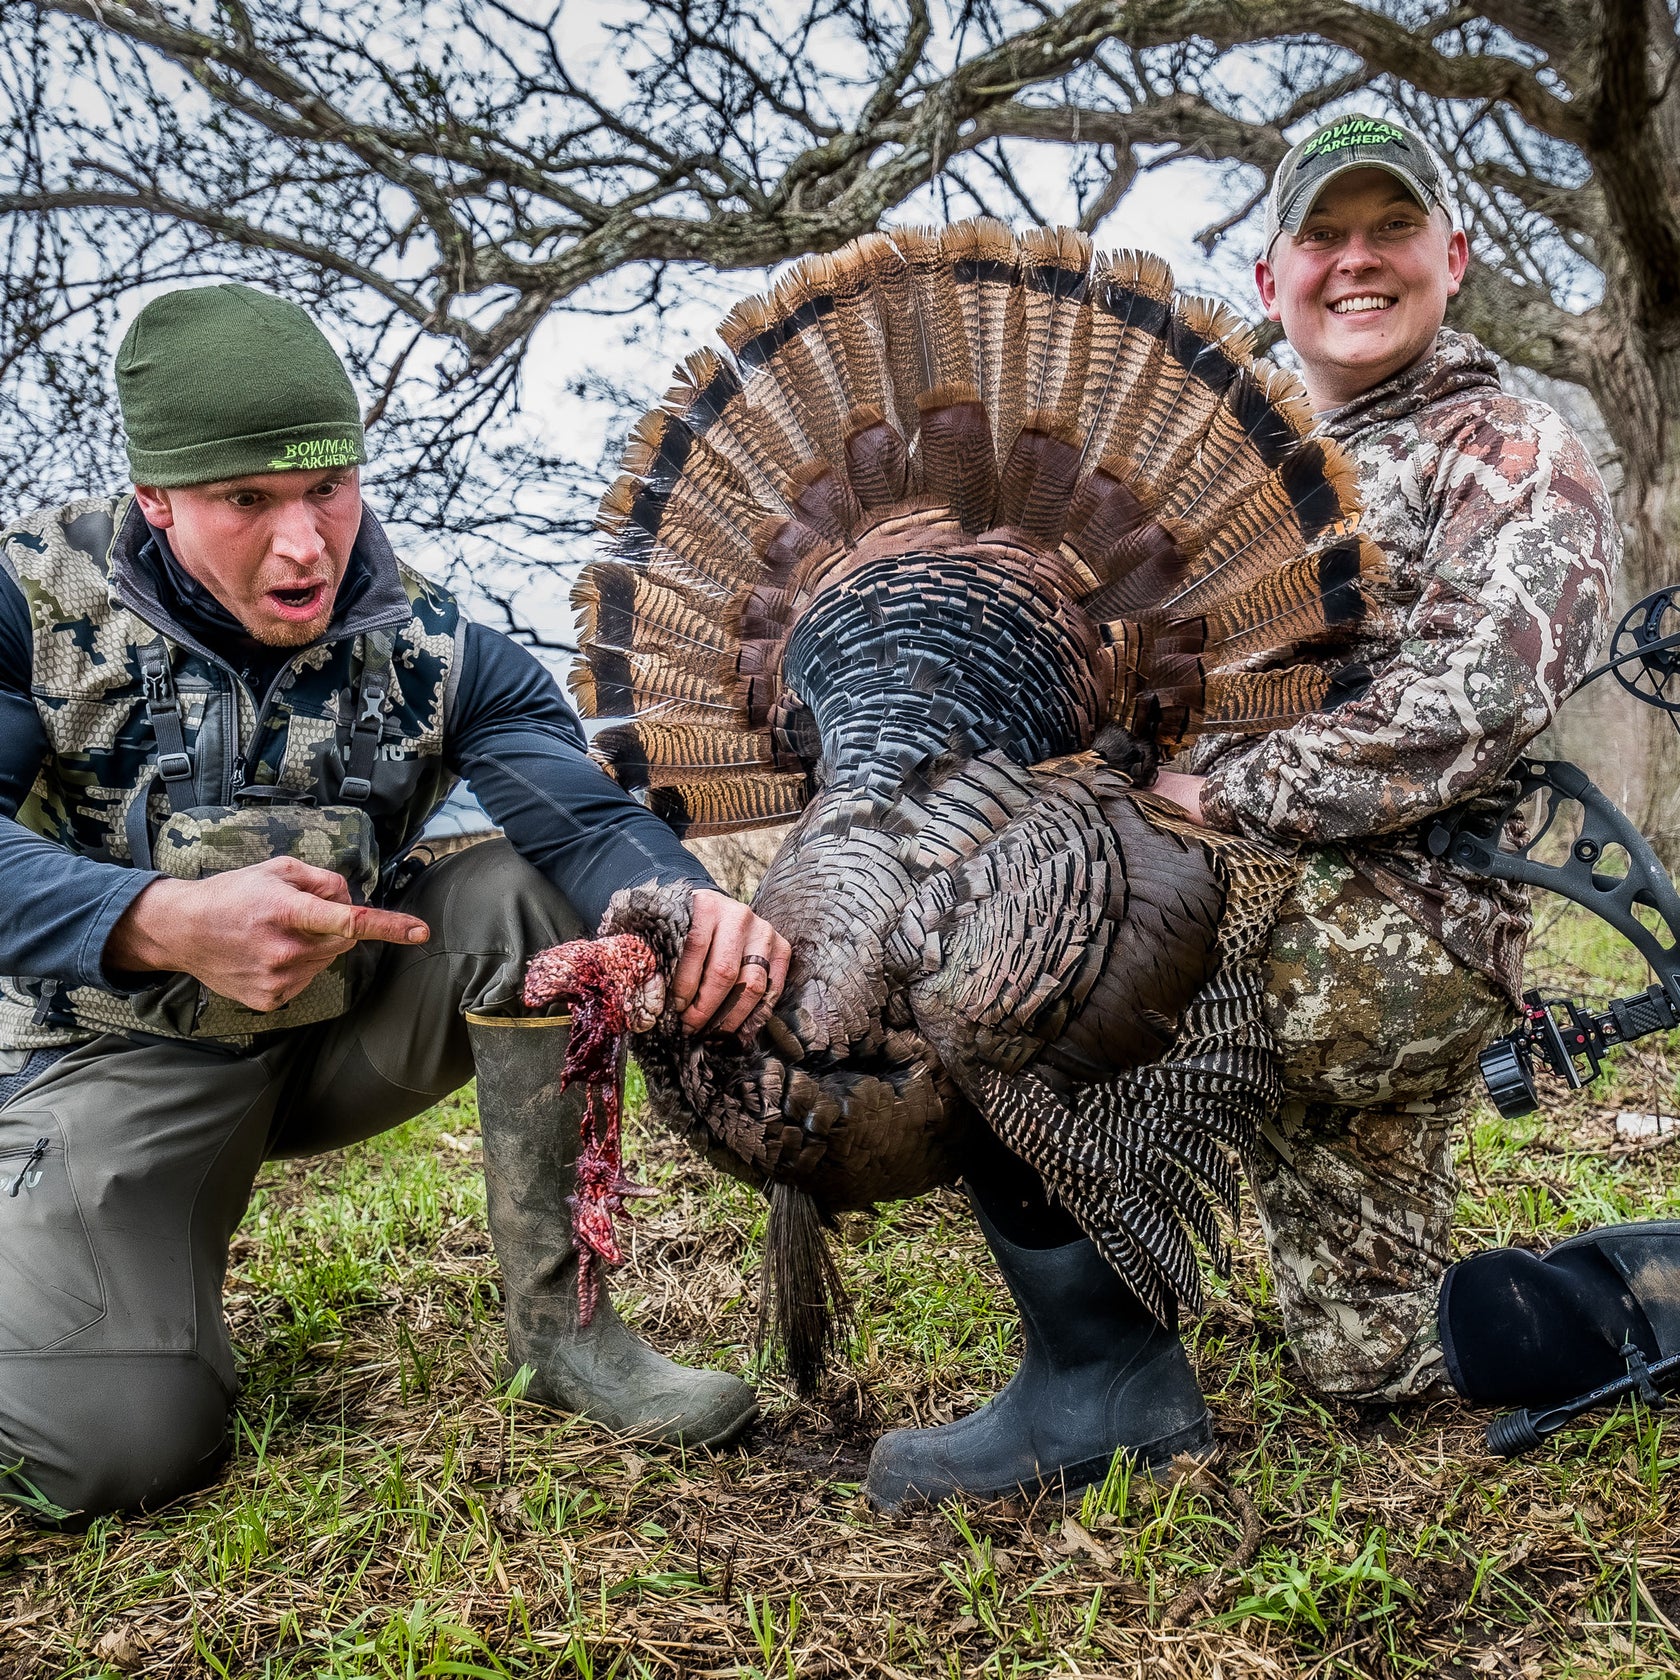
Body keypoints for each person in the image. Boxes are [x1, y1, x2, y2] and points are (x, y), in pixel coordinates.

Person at [866, 114, 1620, 1507]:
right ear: (1273, 277)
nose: (1357, 261)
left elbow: (1478, 699)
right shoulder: (1230, 457)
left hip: (1398, 934)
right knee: (1377, 1359)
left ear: (1453, 257)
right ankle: (1636, 1288)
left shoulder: (1505, 448)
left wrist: (1221, 790)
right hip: (1260, 904)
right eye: (1323, 237)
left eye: (1391, 229)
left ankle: (1102, 1391)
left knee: (1007, 952)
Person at [0, 284, 791, 1523]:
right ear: (155, 499)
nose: (305, 544)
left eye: (327, 488)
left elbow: (585, 825)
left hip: (333, 1038)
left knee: (545, 896)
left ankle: (565, 1334)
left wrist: (688, 908)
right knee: (113, 1450)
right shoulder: (32, 605)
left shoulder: (443, 647)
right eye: (246, 501)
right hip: (104, 1068)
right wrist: (163, 921)